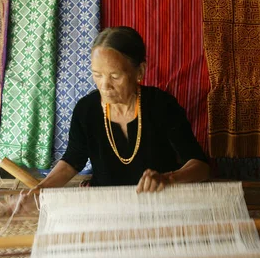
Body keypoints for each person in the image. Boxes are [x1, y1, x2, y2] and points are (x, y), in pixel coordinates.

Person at [34, 26, 210, 194]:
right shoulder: (86, 110)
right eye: (97, 75)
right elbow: (72, 161)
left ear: (139, 71)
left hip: (158, 205)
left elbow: (201, 167)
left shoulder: (161, 106)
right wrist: (38, 191)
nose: (104, 85)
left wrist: (168, 179)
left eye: (115, 76)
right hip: (107, 209)